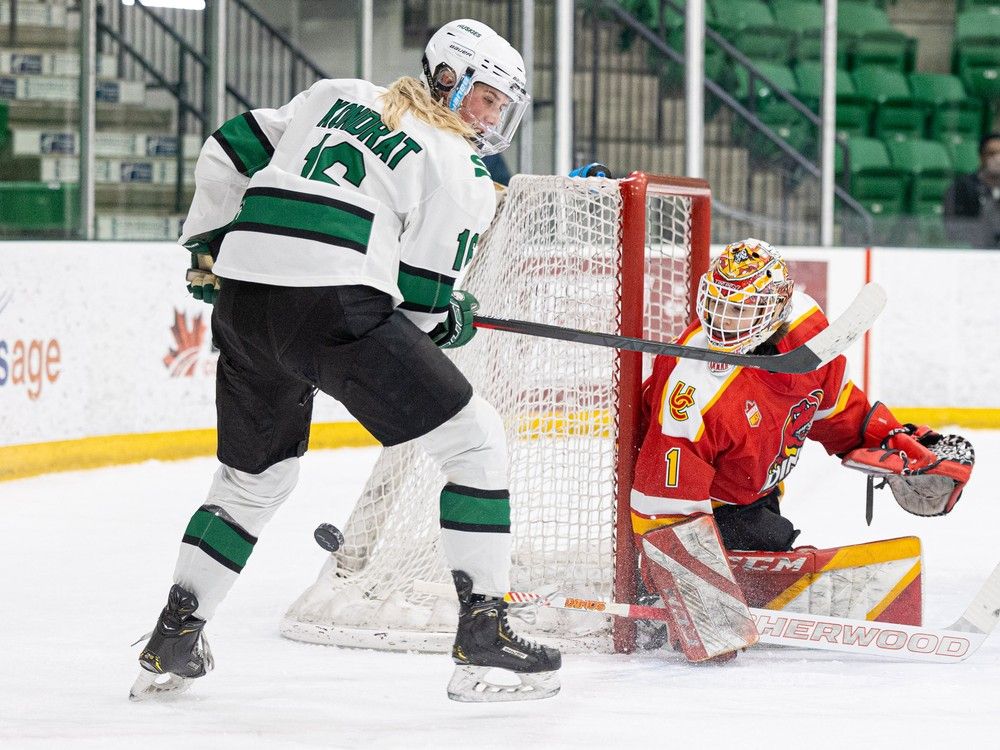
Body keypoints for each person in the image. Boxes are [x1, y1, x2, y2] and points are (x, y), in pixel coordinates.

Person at [130, 19, 560, 704]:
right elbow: (415, 316)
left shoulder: (335, 93)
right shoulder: (459, 170)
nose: (491, 117)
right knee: (477, 444)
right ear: (449, 80)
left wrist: (205, 242)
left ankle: (174, 635)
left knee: (251, 482)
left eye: (500, 107)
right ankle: (485, 636)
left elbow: (230, 145)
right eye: (486, 99)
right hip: (335, 306)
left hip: (243, 302)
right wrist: (450, 319)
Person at [629, 238, 974, 661]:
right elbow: (663, 504)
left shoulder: (808, 327)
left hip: (757, 485)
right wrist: (698, 602)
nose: (723, 322)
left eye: (739, 309)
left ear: (776, 309)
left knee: (771, 535)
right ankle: (660, 591)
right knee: (768, 544)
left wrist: (887, 438)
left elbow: (828, 405)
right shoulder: (693, 388)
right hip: (708, 509)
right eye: (717, 305)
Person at [943, 132, 1000, 249]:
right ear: (981, 156)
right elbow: (952, 227)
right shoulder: (962, 187)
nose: (998, 159)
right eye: (992, 153)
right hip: (973, 251)